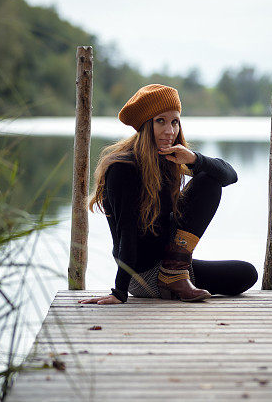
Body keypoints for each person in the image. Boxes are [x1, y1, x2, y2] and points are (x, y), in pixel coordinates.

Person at [79, 84, 258, 304]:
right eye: (160, 121)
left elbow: (230, 176)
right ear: (146, 124)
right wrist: (119, 291)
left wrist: (194, 159)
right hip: (141, 273)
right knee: (240, 275)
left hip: (170, 263)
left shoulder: (170, 157)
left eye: (175, 122)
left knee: (246, 274)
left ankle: (175, 272)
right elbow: (126, 233)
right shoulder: (123, 167)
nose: (170, 131)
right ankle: (171, 278)